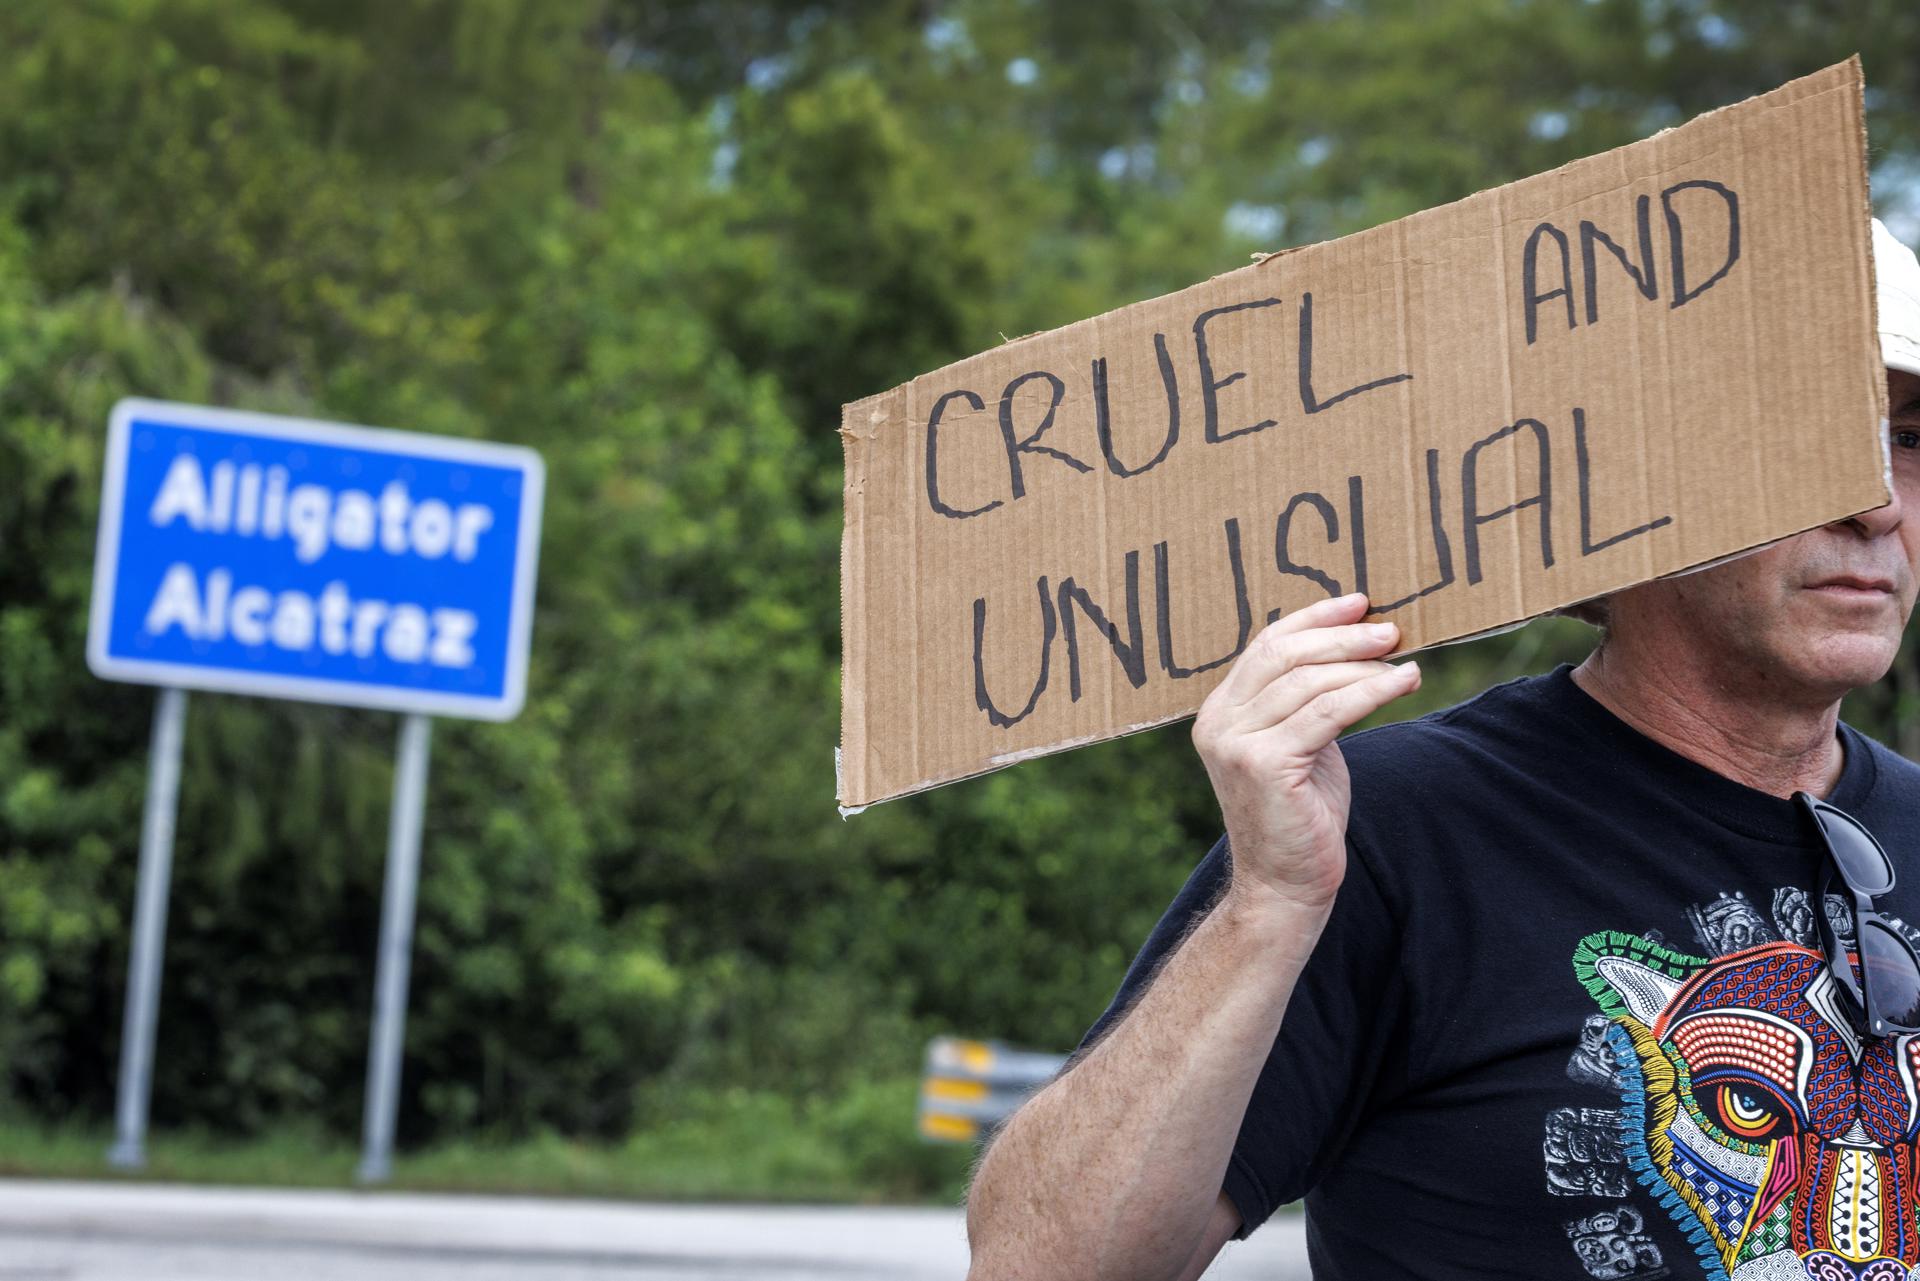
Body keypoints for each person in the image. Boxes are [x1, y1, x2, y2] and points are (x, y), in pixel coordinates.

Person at [963, 217, 1920, 1281]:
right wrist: (1270, 906)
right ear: (1639, 473)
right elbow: (1040, 1266)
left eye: (1912, 439)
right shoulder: (1389, 830)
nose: (1876, 503)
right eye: (1806, 429)